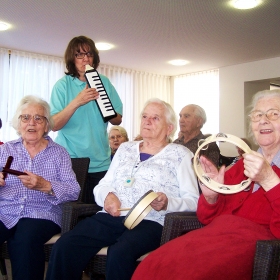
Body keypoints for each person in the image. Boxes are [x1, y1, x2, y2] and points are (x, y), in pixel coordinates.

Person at [132, 89, 280, 280]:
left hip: (256, 246)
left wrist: (269, 180)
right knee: (151, 266)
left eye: (274, 114)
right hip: (214, 236)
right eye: (258, 115)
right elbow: (206, 218)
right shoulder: (241, 165)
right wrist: (211, 197)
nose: (263, 120)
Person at [45, 98, 199, 280]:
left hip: (151, 221)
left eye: (155, 118)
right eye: (144, 116)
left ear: (169, 128)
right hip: (112, 215)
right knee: (65, 245)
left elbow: (194, 200)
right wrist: (108, 196)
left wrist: (167, 203)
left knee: (120, 252)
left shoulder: (180, 154)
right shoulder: (125, 148)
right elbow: (103, 185)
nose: (147, 121)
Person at [0, 95, 80, 280]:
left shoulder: (59, 153)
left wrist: (46, 185)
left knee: (24, 240)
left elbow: (74, 190)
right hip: (5, 211)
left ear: (46, 125)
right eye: (25, 117)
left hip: (42, 213)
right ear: (18, 123)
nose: (32, 123)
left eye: (38, 118)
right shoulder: (5, 150)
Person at [50, 35, 123, 203]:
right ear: (72, 58)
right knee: (71, 213)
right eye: (79, 55)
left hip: (101, 161)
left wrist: (103, 101)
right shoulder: (62, 85)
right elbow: (54, 125)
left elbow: (117, 120)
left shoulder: (104, 82)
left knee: (96, 211)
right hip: (71, 161)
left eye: (89, 54)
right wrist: (78, 101)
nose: (85, 59)